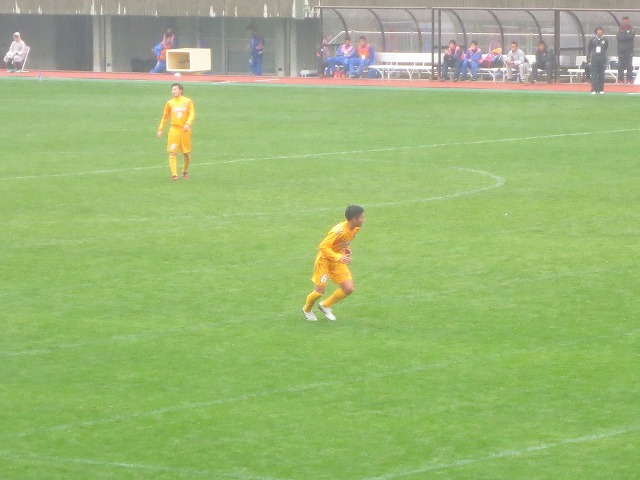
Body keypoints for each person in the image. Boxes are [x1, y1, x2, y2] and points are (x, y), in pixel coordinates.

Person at [302, 205, 365, 322]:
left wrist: (346, 249)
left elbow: (344, 241)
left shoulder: (355, 228)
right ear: (354, 219)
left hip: (338, 259)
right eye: (361, 217)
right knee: (319, 292)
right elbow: (323, 246)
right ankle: (307, 309)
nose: (363, 219)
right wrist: (338, 257)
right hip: (325, 260)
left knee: (348, 288)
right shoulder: (338, 231)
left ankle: (325, 305)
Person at [157, 83, 195, 181]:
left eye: (175, 89)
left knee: (186, 154)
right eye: (172, 90)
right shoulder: (170, 103)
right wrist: (160, 129)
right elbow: (165, 116)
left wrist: (188, 123)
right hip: (174, 131)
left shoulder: (187, 101)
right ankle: (174, 175)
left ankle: (184, 171)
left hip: (185, 131)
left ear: (180, 90)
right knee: (172, 153)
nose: (173, 91)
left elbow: (192, 113)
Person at [588, 26, 608, 94]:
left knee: (601, 74)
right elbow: (589, 49)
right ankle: (594, 89)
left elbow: (605, 48)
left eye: (601, 30)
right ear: (596, 31)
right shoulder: (592, 39)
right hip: (594, 59)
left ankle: (601, 89)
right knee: (594, 75)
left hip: (602, 59)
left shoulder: (605, 40)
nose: (599, 32)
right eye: (598, 30)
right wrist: (589, 59)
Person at [616, 16, 635, 84]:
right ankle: (620, 79)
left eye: (627, 21)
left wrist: (624, 34)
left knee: (629, 65)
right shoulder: (619, 29)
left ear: (629, 21)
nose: (625, 23)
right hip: (621, 50)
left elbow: (630, 37)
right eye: (624, 21)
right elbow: (619, 38)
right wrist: (625, 34)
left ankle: (629, 79)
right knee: (620, 65)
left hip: (629, 50)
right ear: (622, 22)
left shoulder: (632, 29)